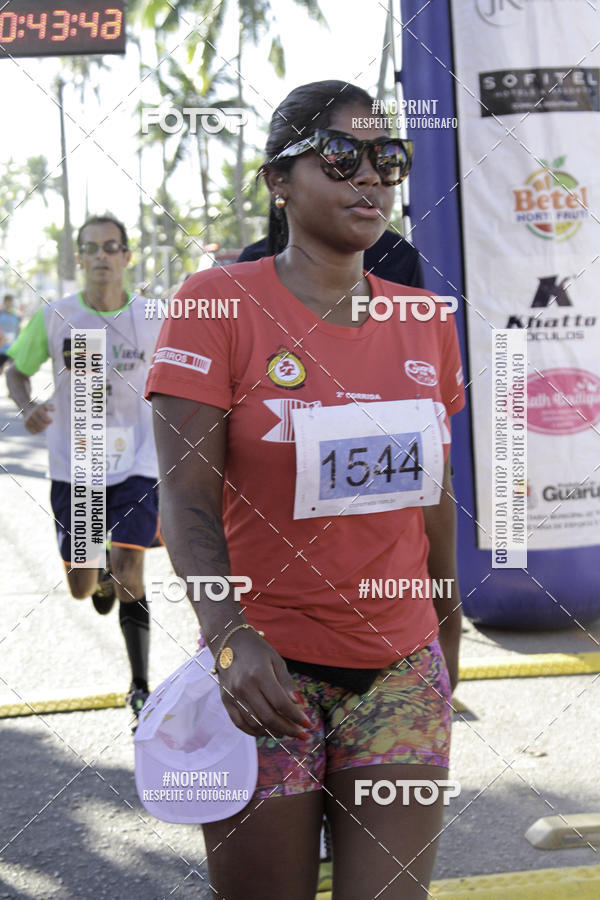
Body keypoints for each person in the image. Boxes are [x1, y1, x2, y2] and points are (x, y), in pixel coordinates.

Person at [146, 80, 465, 899]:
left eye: (387, 158)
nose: (370, 177)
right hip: (265, 674)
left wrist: (446, 623)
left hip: (399, 669)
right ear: (278, 181)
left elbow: (431, 490)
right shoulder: (216, 304)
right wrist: (227, 635)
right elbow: (184, 500)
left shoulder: (425, 317)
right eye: (340, 156)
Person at [5, 215, 161, 721]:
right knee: (80, 585)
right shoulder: (55, 316)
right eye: (91, 248)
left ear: (126, 257)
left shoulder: (153, 317)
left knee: (133, 569)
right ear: (80, 259)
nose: (101, 256)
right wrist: (28, 406)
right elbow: (15, 369)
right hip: (80, 464)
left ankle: (139, 685)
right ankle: (98, 579)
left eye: (111, 247)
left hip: (138, 460)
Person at [238, 227, 424, 288]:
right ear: (278, 181)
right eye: (340, 163)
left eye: (384, 163)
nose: (368, 177)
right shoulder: (253, 262)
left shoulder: (398, 254)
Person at [0, 293, 21, 372]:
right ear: (4, 302)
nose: (9, 304)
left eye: (10, 302)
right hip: (1, 349)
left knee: (13, 373)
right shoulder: (1, 315)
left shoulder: (16, 316)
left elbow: (19, 331)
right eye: (7, 302)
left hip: (13, 349)